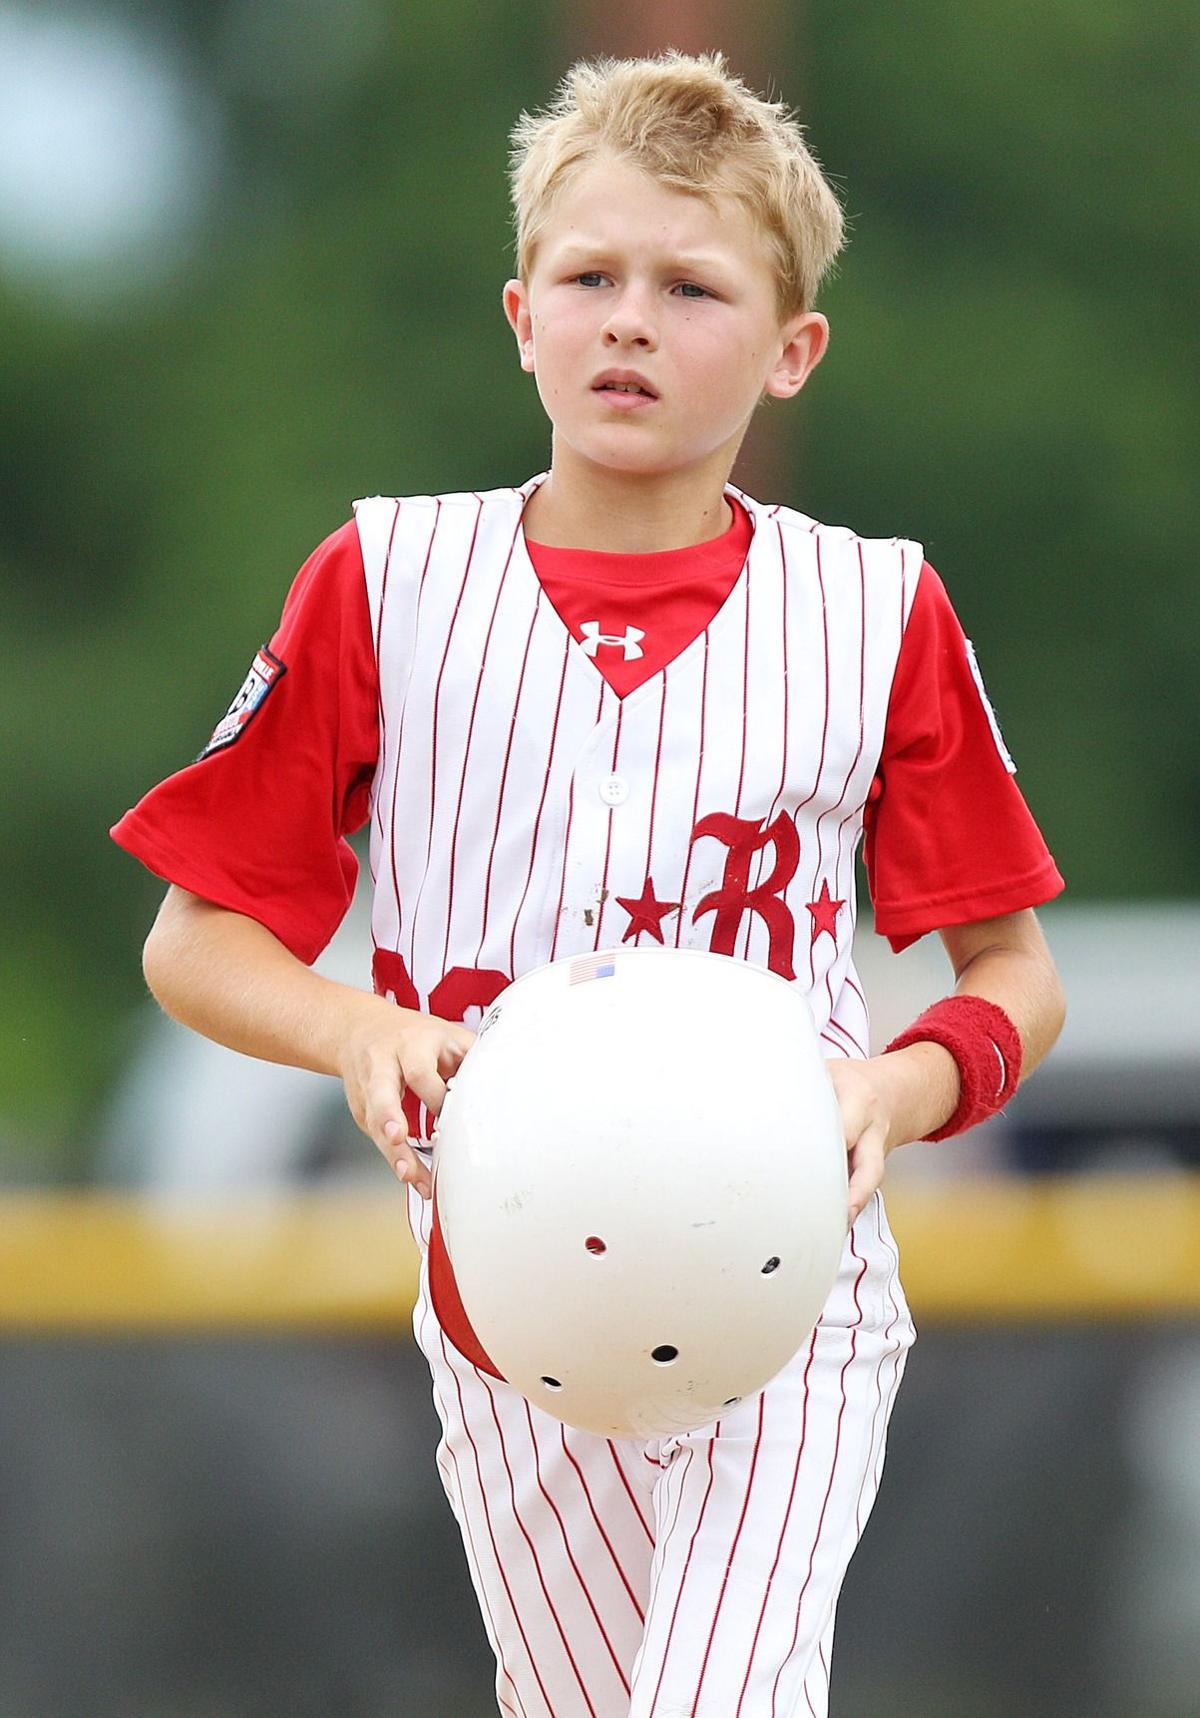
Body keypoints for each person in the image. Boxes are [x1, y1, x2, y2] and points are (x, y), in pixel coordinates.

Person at [112, 50, 1066, 1717]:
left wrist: (904, 1084)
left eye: (691, 286)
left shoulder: (873, 611)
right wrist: (351, 1028)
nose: (630, 318)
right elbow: (196, 940)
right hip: (510, 1294)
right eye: (591, 276)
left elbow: (1016, 974)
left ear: (790, 350)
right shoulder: (390, 578)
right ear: (521, 313)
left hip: (792, 1290)